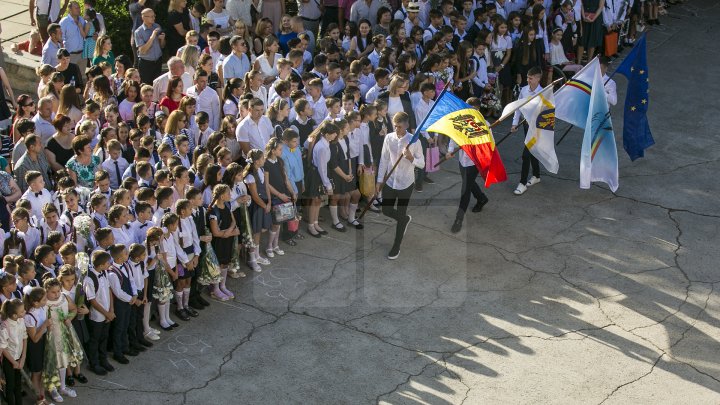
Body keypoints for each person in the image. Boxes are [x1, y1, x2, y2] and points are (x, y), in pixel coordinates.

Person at [375, 112, 424, 260]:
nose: (397, 130)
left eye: (400, 127)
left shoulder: (414, 141)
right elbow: (384, 159)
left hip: (405, 183)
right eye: (395, 126)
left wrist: (411, 158)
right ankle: (404, 219)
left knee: (401, 213)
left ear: (407, 126)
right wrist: (379, 181)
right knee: (386, 210)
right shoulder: (389, 138)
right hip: (390, 182)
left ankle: (396, 245)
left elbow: (422, 163)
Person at [42, 277, 83, 401]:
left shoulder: (64, 297)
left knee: (63, 360)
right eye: (53, 292)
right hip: (52, 336)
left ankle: (63, 387)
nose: (56, 294)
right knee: (52, 363)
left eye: (58, 291)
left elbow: (74, 309)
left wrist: (69, 317)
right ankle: (52, 389)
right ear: (46, 291)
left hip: (65, 333)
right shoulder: (44, 303)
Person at [511, 67, 544, 196]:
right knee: (532, 152)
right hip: (526, 125)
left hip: (537, 128)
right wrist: (514, 123)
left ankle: (522, 183)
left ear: (538, 78)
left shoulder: (543, 93)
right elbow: (518, 107)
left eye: (531, 78)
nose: (528, 80)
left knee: (526, 155)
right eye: (527, 78)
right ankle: (536, 175)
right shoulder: (524, 90)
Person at [84, 250, 115, 375]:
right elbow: (92, 301)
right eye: (108, 263)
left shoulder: (105, 273)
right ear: (101, 265)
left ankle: (103, 360)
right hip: (97, 316)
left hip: (107, 312)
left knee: (104, 338)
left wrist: (111, 310)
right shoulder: (89, 279)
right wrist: (106, 313)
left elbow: (108, 290)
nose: (110, 264)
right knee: (95, 340)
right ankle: (94, 363)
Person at [0, 298, 28, 405]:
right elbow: (3, 348)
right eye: (22, 311)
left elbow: (25, 338)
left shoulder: (21, 321)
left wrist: (23, 358)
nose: (25, 312)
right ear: (14, 315)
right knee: (10, 386)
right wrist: (14, 362)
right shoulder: (5, 326)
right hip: (9, 360)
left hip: (19, 358)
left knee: (18, 385)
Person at [135, 8, 166, 85]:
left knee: (158, 85)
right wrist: (152, 37)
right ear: (143, 18)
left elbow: (162, 46)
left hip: (158, 61)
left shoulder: (157, 26)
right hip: (146, 64)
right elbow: (142, 50)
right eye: (151, 16)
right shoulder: (138, 32)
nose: (153, 18)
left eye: (154, 16)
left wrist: (162, 39)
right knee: (146, 86)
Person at [59, 1, 87, 67]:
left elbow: (86, 35)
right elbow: (60, 38)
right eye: (76, 8)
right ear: (70, 10)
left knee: (82, 76)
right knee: (70, 76)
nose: (79, 10)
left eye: (79, 8)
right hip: (70, 55)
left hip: (82, 54)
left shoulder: (82, 20)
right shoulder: (64, 22)